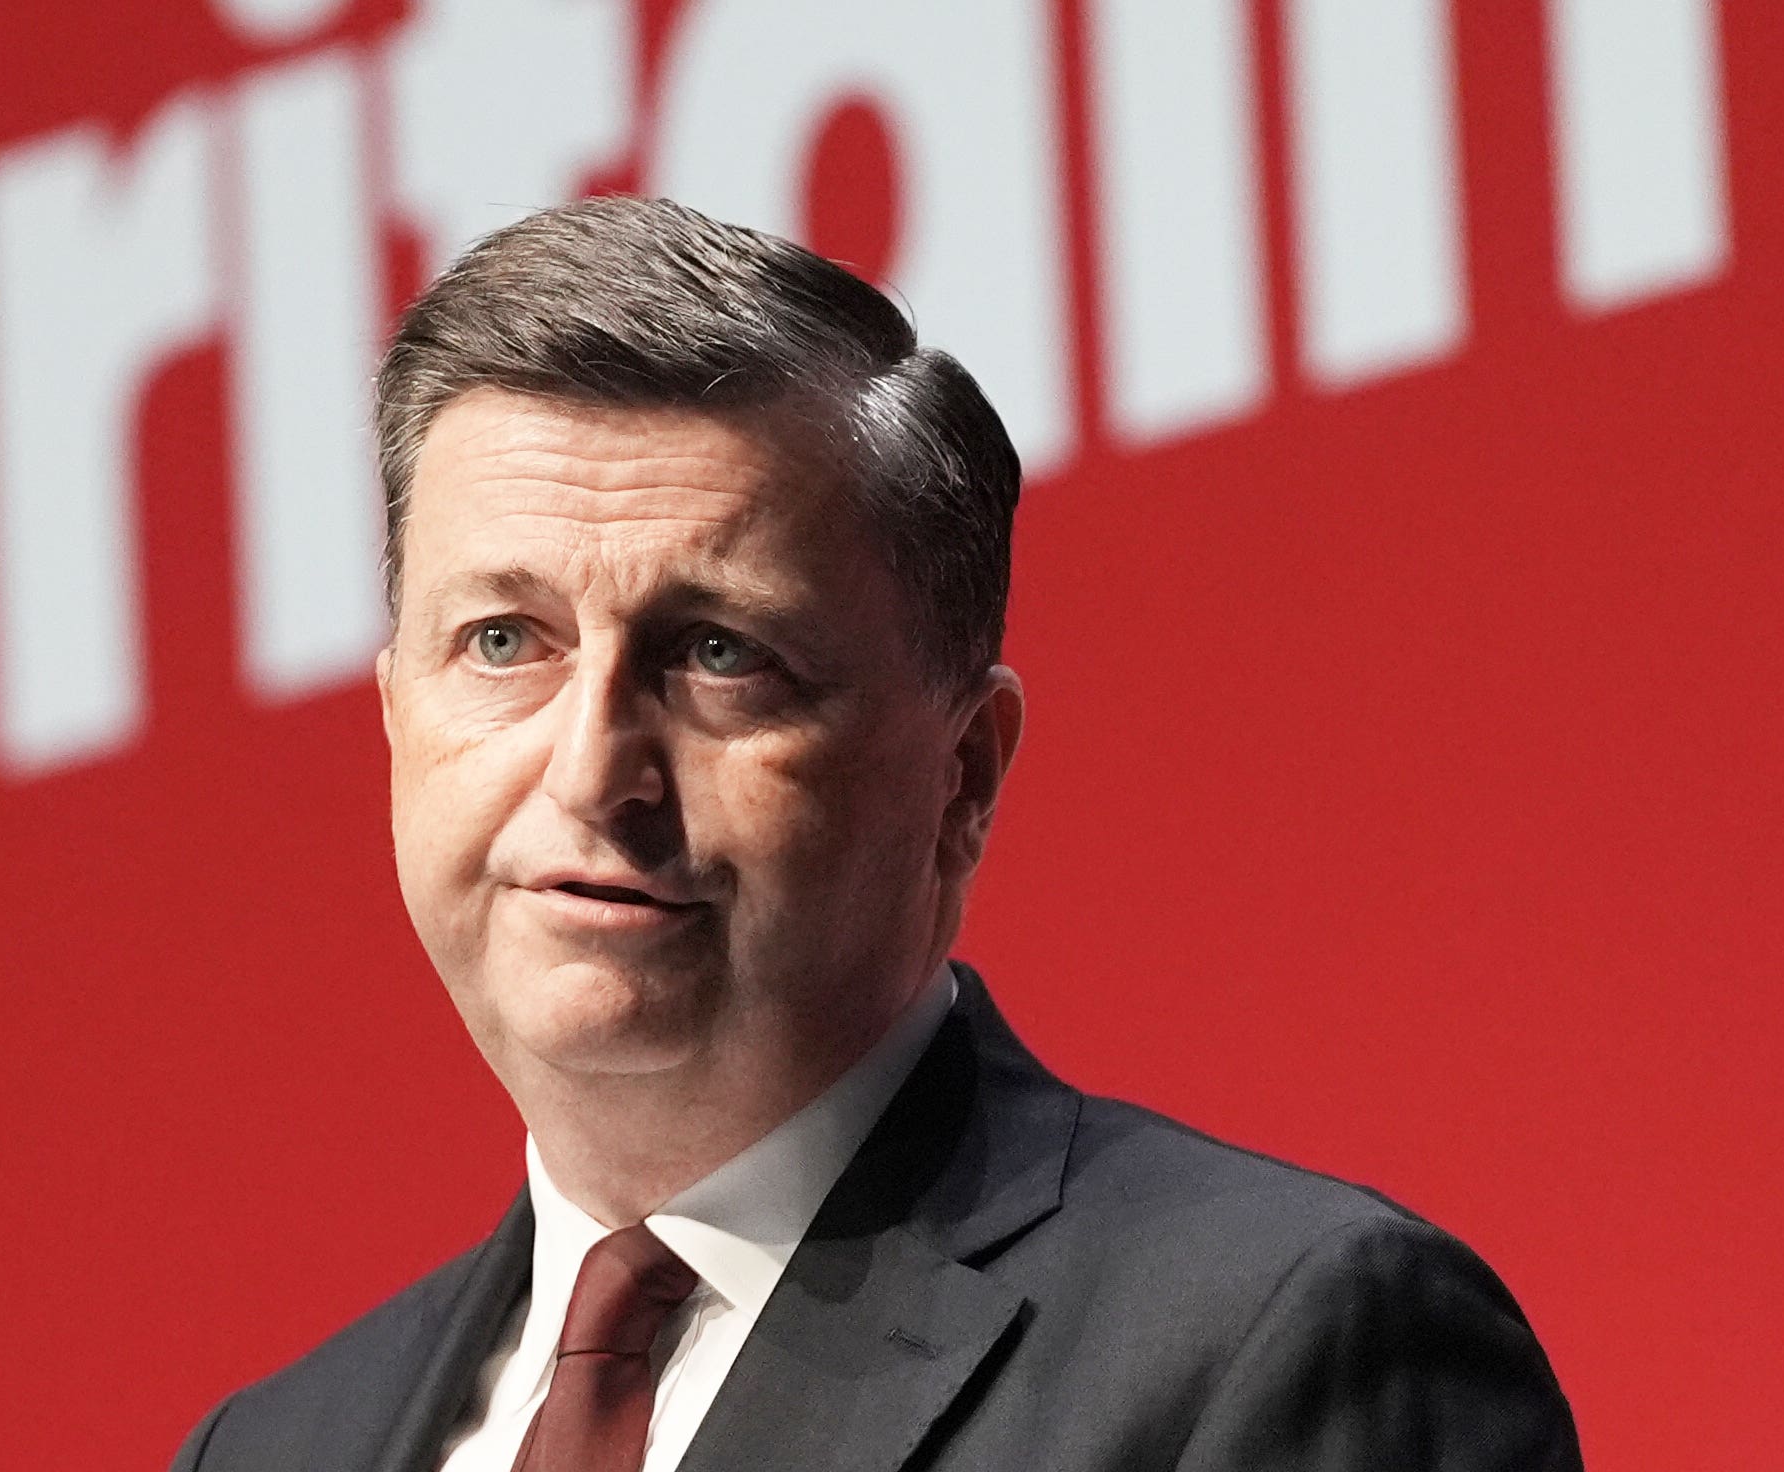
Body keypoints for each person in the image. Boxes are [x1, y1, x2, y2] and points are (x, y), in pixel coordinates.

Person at [171, 195, 1582, 1472]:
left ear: (962, 776)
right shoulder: (266, 1450)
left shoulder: (1286, 1341)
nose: (594, 771)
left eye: (718, 655)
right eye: (502, 639)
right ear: (394, 718)